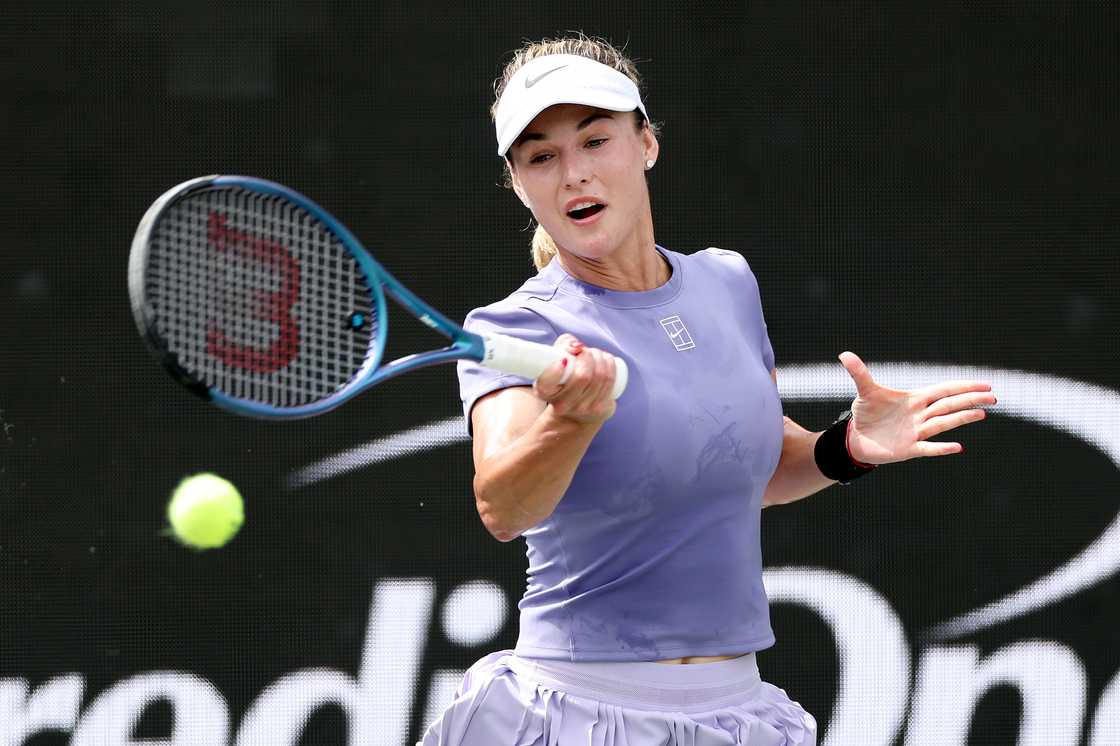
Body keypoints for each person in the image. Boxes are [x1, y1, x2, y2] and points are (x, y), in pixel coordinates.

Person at [421, 35, 996, 746]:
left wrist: (842, 449)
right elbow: (503, 505)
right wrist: (571, 423)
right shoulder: (516, 327)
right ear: (518, 182)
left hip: (734, 710)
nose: (574, 174)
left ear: (647, 145)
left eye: (595, 140)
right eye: (541, 156)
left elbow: (735, 464)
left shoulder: (726, 283)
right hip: (578, 711)